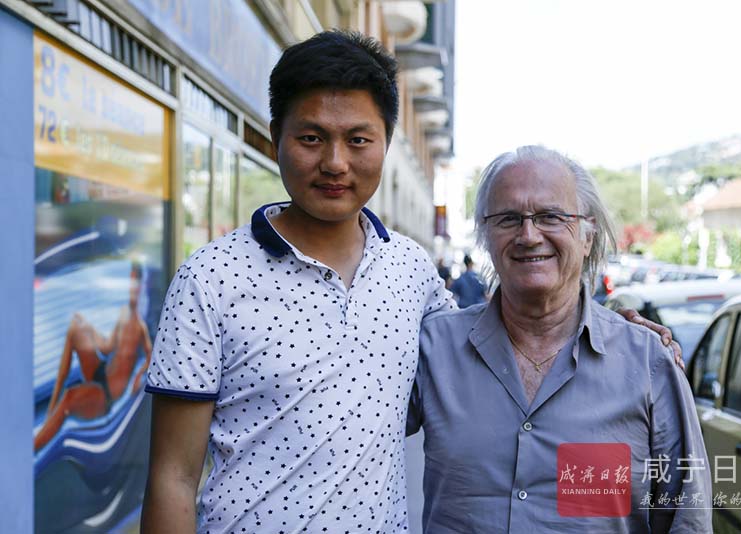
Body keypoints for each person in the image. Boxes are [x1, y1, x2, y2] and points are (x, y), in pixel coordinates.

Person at [141, 32, 680, 533]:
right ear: (274, 137)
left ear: (386, 143)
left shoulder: (411, 270)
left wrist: (612, 333)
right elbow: (173, 478)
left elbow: (492, 338)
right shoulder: (210, 277)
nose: (335, 162)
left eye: (358, 139)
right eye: (311, 137)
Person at [407, 145, 711, 533]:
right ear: (485, 236)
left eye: (550, 217)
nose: (529, 235)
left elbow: (687, 517)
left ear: (587, 236)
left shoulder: (647, 362)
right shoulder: (434, 349)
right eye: (508, 218)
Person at [34, 261, 152, 451]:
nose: (132, 290)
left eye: (135, 286)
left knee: (69, 398)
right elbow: (106, 348)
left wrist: (138, 375)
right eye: (130, 285)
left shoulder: (140, 327)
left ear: (141, 288)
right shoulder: (123, 314)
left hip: (107, 393)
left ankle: (30, 448)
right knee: (76, 328)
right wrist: (89, 329)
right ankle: (50, 411)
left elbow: (151, 357)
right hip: (102, 371)